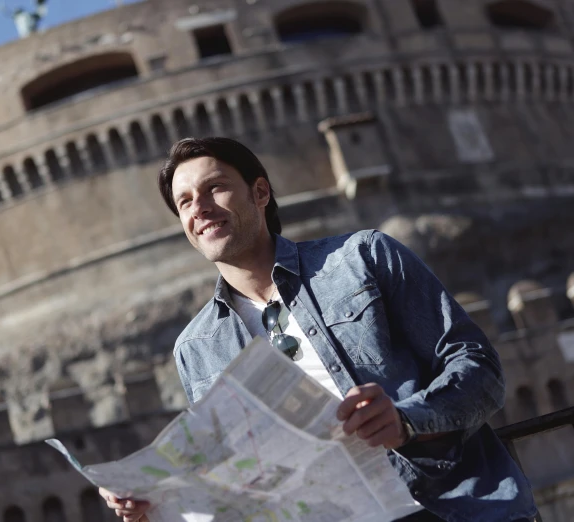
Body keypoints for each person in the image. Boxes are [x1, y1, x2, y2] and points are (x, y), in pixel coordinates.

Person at [100, 137, 539, 522]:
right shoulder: (195, 348)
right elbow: (230, 481)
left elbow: (481, 371)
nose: (201, 208)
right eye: (185, 202)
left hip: (446, 507)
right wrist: (155, 501)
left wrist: (407, 421)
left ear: (259, 192)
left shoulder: (363, 257)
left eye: (215, 187)